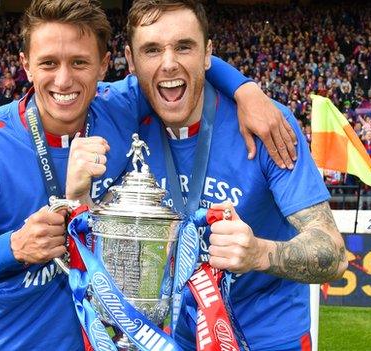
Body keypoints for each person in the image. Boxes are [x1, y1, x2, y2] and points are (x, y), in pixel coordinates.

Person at [0, 1, 297, 350]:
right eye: (49, 63)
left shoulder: (119, 107)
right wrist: (15, 247)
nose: (64, 80)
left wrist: (247, 90)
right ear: (26, 65)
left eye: (80, 63)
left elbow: (183, 63)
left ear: (104, 66)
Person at [68, 1, 347, 349]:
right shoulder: (118, 109)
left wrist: (259, 253)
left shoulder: (267, 126)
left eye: (184, 46)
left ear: (207, 53)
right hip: (163, 337)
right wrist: (77, 196)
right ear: (131, 59)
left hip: (266, 337)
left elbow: (334, 254)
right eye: (151, 50)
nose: (169, 63)